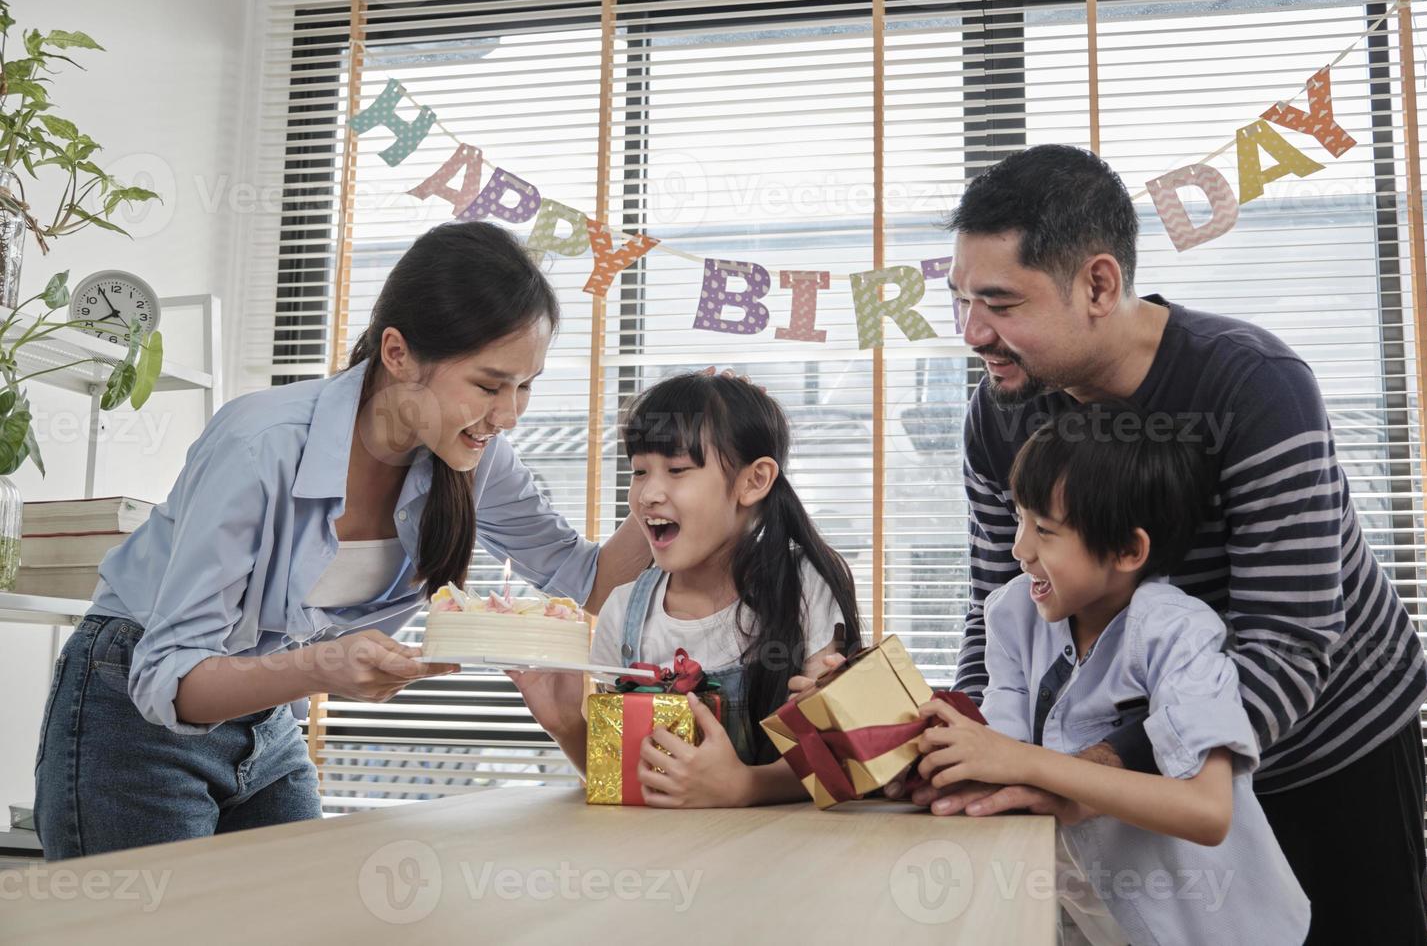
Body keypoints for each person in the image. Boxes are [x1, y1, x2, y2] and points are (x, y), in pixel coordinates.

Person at [925, 143, 1427, 944]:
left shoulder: (1251, 385)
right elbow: (1002, 620)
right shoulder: (1000, 415)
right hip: (1134, 763)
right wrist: (982, 751)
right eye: (959, 300)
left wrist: (1092, 775)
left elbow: (1289, 642)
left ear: (1098, 284)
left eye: (1000, 303)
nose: (971, 332)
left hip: (1327, 741)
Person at [33, 221, 652, 860]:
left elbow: (593, 583)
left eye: (526, 386)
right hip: (131, 704)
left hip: (266, 718)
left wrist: (666, 477)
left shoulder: (475, 458)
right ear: (397, 353)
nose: (509, 414)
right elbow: (170, 677)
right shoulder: (260, 445)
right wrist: (320, 668)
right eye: (489, 385)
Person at [915, 408, 1308, 945]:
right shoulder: (1012, 614)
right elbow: (998, 750)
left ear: (1128, 550)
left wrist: (1030, 762)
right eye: (1020, 519)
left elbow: (1207, 811)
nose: (1020, 549)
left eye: (1046, 531)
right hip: (1094, 917)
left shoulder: (1178, 631)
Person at [515, 372, 862, 807]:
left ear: (753, 481)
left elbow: (838, 757)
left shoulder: (804, 585)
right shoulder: (624, 612)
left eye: (677, 470)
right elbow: (625, 778)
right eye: (640, 471)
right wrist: (565, 723)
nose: (648, 494)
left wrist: (744, 787)